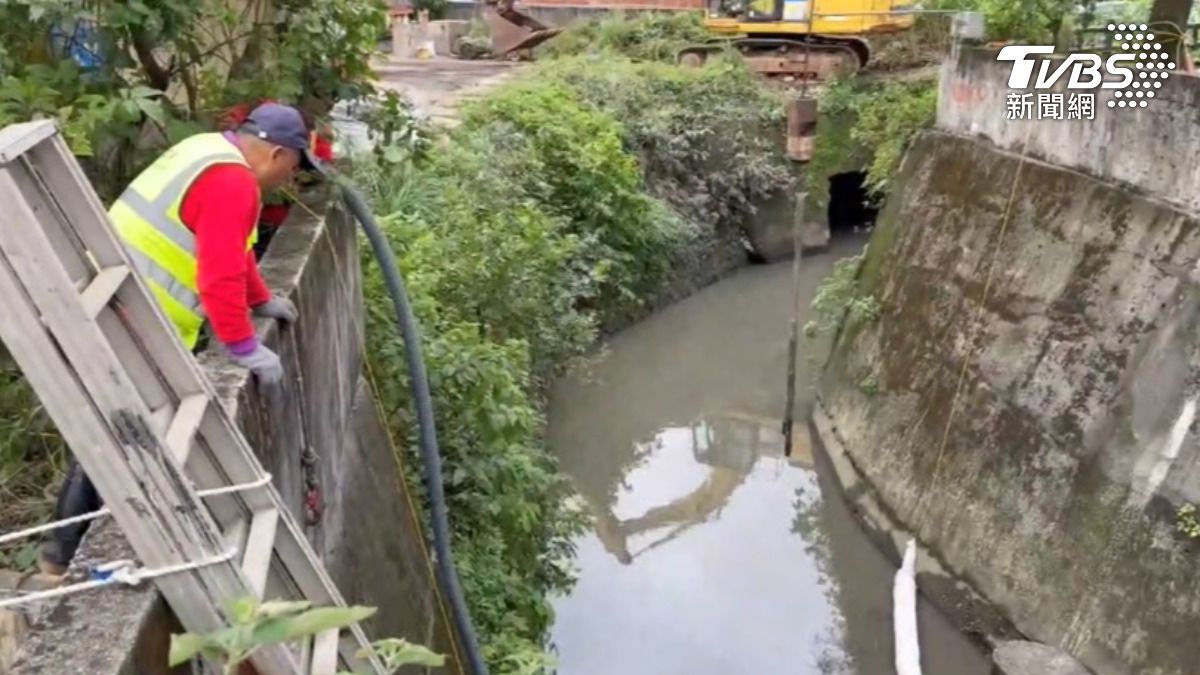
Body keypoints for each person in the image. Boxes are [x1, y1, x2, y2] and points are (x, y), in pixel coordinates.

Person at [38, 102, 323, 575]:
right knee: (121, 433)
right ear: (276, 154)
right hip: (134, 320)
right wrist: (245, 348)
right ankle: (60, 558)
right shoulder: (234, 184)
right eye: (294, 166)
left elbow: (233, 249)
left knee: (118, 428)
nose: (291, 178)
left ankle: (61, 555)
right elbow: (218, 277)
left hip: (107, 300)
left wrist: (260, 300)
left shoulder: (206, 152)